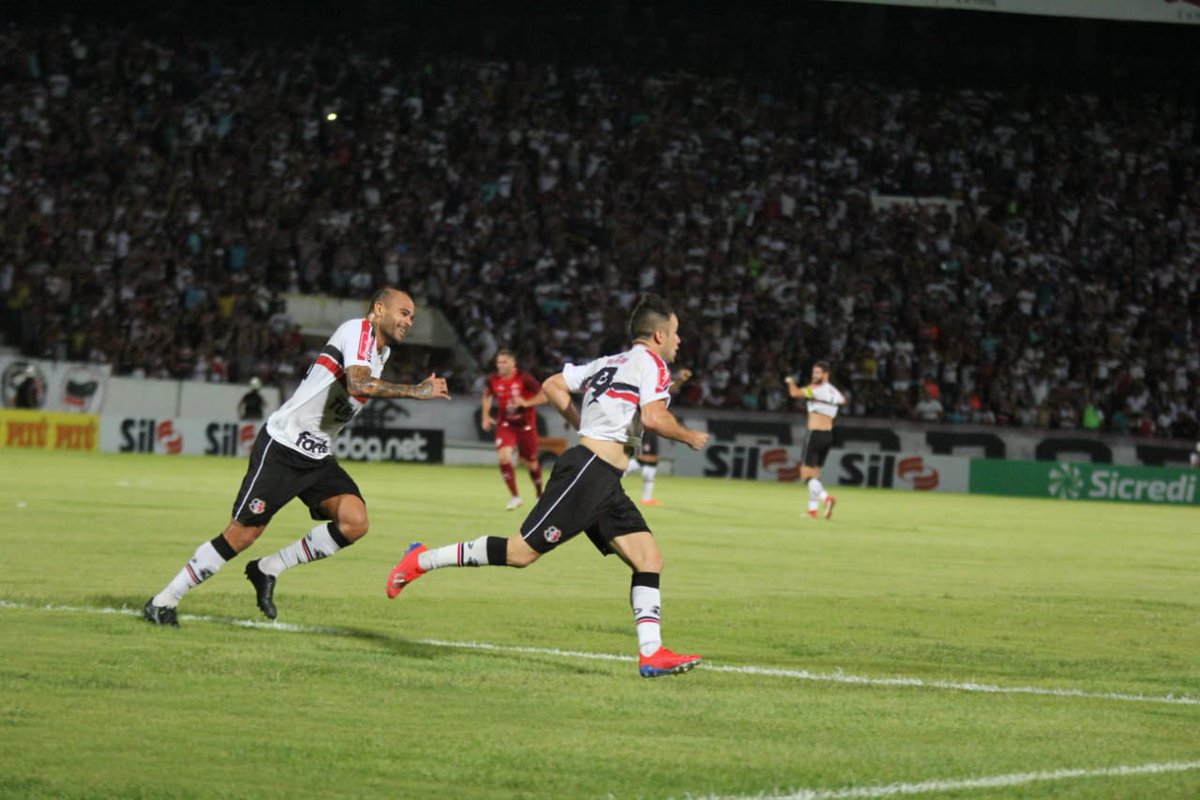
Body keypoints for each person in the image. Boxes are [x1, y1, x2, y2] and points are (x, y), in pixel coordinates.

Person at [386, 293, 711, 678]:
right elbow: (654, 418)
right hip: (589, 473)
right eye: (675, 333)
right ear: (659, 335)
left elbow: (554, 385)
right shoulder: (654, 365)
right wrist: (689, 436)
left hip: (604, 479)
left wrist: (583, 424)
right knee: (520, 553)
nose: (679, 340)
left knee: (649, 559)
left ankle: (652, 653)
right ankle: (422, 559)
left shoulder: (611, 361)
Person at [143, 288, 451, 626]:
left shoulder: (383, 351)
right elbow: (357, 384)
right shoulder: (357, 331)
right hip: (284, 446)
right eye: (404, 313)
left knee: (354, 522)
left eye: (412, 317)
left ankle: (268, 568)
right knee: (242, 535)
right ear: (379, 308)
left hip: (317, 455)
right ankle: (164, 600)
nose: (409, 321)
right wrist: (415, 391)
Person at [481, 350, 547, 510]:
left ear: (513, 363)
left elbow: (545, 395)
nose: (500, 365)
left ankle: (540, 495)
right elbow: (487, 394)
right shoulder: (493, 379)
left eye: (504, 362)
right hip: (506, 425)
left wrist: (526, 402)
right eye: (499, 362)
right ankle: (515, 497)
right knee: (504, 457)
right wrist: (486, 416)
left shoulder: (524, 378)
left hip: (526, 426)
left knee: (531, 464)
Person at [785, 361, 846, 519]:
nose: (814, 375)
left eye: (818, 373)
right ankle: (812, 510)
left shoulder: (816, 389)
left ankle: (826, 498)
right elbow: (842, 400)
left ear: (826, 374)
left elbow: (794, 393)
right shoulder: (834, 391)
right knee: (815, 475)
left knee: (806, 475)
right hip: (828, 436)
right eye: (814, 372)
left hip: (815, 434)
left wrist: (790, 381)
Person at [624, 368, 693, 505]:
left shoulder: (653, 388)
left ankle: (647, 498)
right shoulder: (643, 388)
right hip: (643, 426)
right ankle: (614, 474)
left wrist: (680, 380)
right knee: (644, 458)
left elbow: (669, 389)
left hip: (652, 427)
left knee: (650, 461)